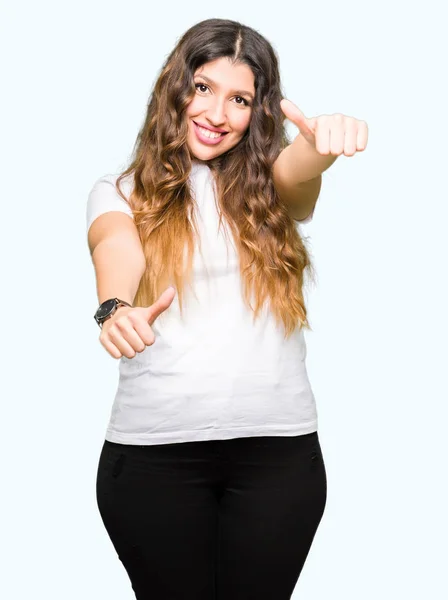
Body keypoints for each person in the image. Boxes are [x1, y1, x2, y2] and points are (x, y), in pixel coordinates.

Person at [87, 17, 367, 600]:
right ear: (175, 88)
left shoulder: (269, 188)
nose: (217, 114)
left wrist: (318, 146)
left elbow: (297, 173)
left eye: (239, 99)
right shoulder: (119, 191)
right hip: (151, 461)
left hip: (278, 460)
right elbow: (114, 246)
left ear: (258, 111)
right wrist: (115, 308)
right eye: (203, 87)